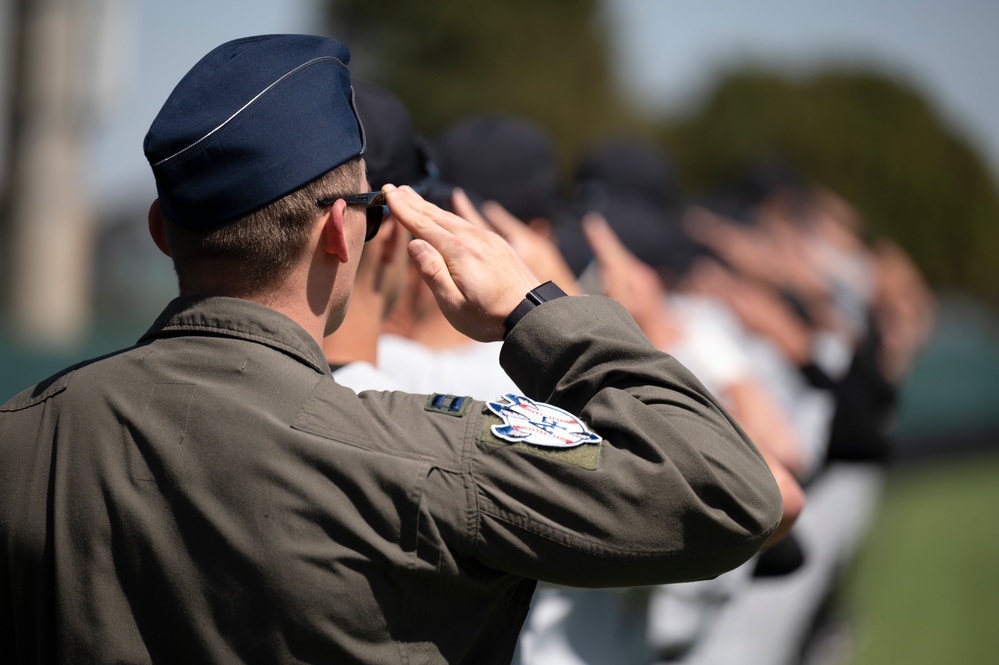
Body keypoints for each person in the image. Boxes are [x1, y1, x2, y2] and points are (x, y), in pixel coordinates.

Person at [0, 35, 782, 664]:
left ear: (162, 229)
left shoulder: (24, 438)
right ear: (343, 231)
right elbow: (727, 491)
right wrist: (535, 310)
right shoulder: (415, 454)